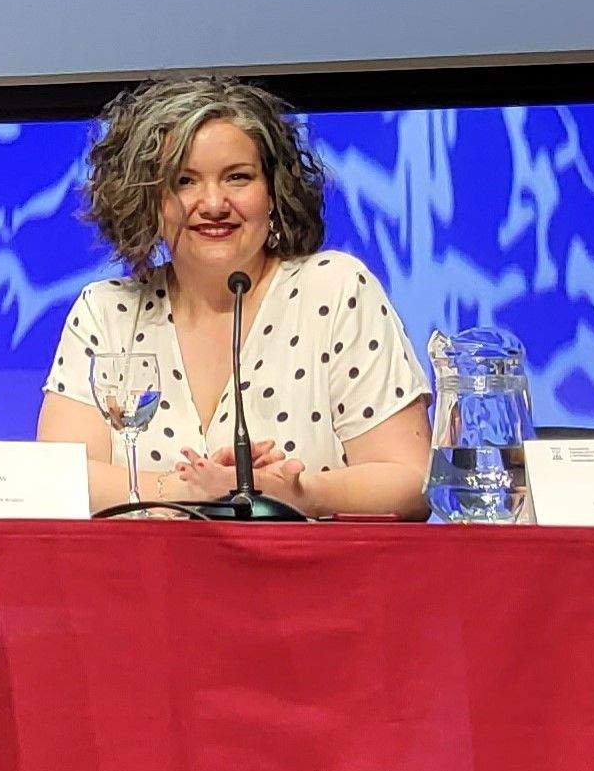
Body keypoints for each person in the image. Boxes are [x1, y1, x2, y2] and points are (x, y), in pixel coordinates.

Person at [37, 74, 431, 517]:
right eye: (184, 181)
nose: (213, 203)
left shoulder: (335, 290)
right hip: (139, 582)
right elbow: (59, 480)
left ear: (273, 194)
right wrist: (192, 490)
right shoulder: (107, 311)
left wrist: (294, 493)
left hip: (307, 580)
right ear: (148, 200)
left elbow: (411, 481)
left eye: (237, 178)